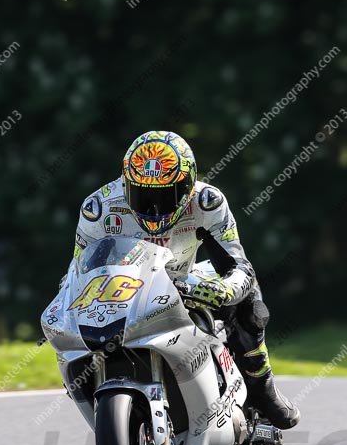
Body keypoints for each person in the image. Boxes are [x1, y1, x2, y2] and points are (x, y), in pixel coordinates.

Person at [72, 130, 300, 429]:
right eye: (143, 194)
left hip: (186, 278)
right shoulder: (98, 207)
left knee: (250, 305)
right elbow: (80, 270)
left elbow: (238, 263)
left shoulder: (208, 202)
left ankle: (261, 385)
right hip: (124, 289)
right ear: (125, 184)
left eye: (166, 195)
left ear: (189, 184)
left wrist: (224, 289)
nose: (154, 207)